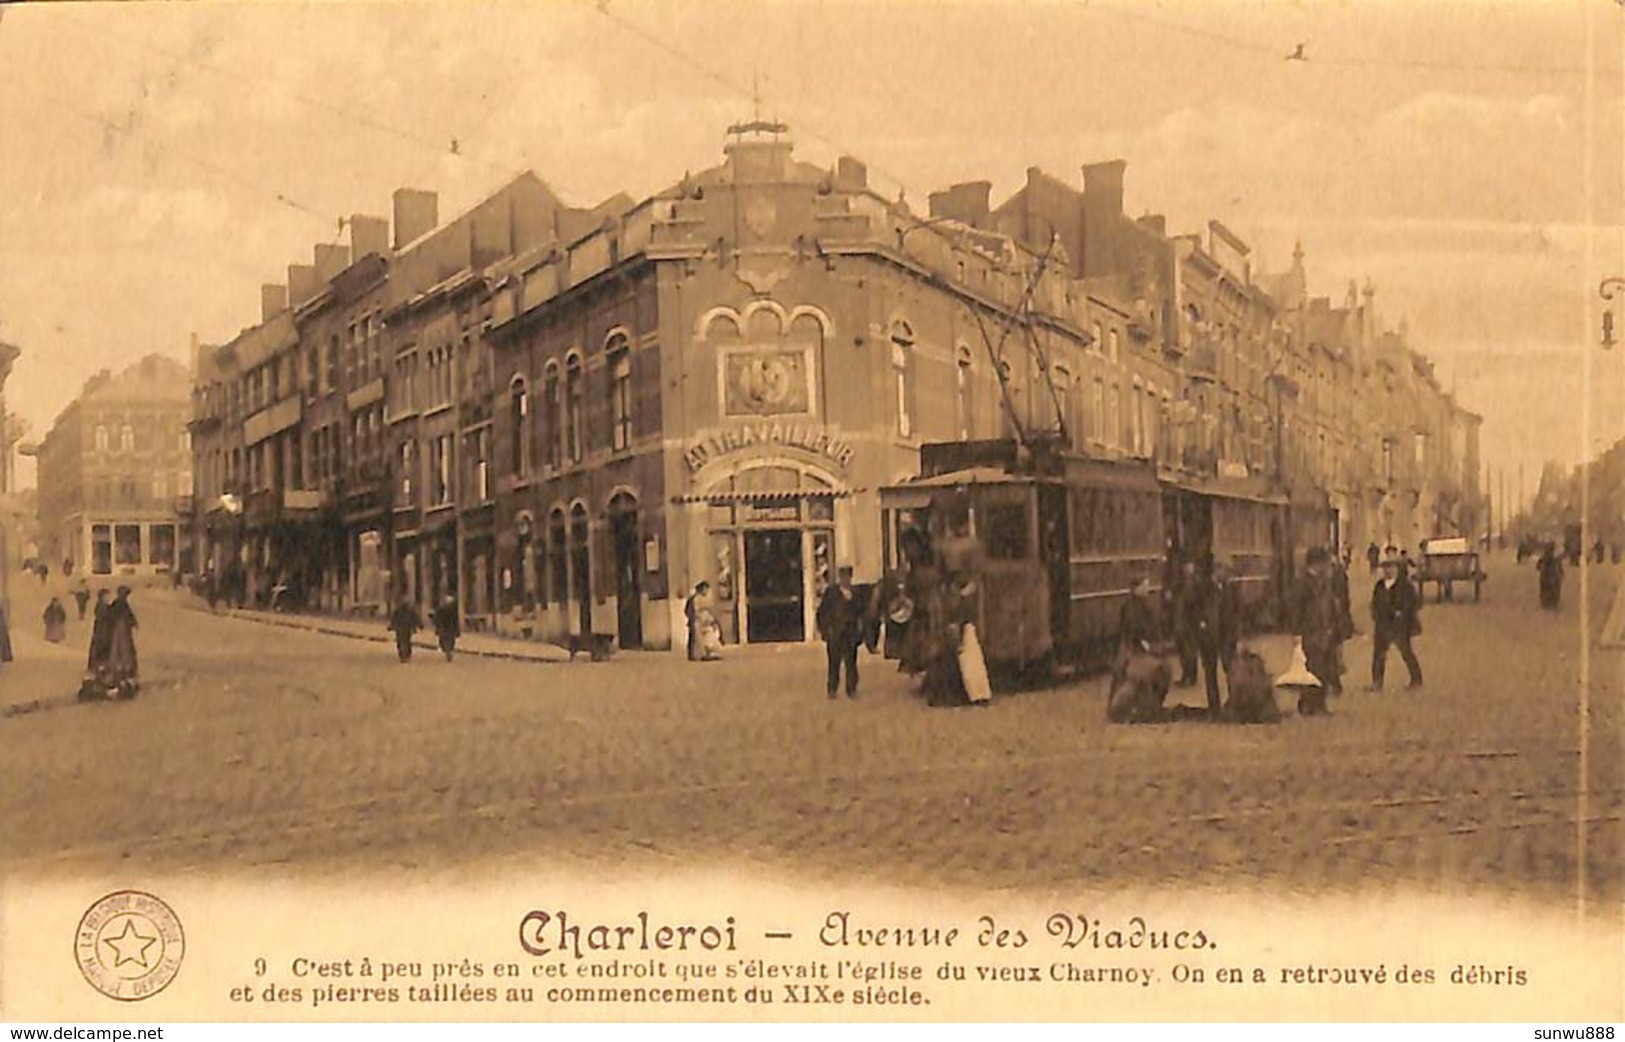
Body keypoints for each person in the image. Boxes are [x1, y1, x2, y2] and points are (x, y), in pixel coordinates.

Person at [1294, 547, 1343, 713]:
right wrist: (1298, 634)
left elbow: (1329, 607)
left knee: (1324, 669)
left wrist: (1333, 628)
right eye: (1325, 563)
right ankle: (1309, 704)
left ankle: (1317, 704)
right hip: (1311, 633)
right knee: (1314, 669)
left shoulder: (1324, 582)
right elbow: (1297, 611)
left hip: (1325, 632)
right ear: (1317, 564)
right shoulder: (1303, 584)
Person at [1370, 552, 1423, 691]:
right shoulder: (1379, 586)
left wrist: (1403, 612)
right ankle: (1377, 682)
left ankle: (1416, 679)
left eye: (1391, 567)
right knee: (1378, 654)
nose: (1388, 570)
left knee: (1406, 652)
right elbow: (1374, 603)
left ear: (1397, 569)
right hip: (1382, 624)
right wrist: (1375, 614)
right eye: (1385, 567)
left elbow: (1415, 603)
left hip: (1400, 625)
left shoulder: (1405, 586)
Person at [816, 566, 864, 700]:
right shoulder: (831, 594)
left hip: (850, 635)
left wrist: (859, 633)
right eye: (843, 577)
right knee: (833, 664)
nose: (845, 580)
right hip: (835, 634)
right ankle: (832, 689)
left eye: (847, 577)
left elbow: (860, 614)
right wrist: (825, 630)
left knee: (851, 664)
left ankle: (851, 689)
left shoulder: (856, 594)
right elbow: (822, 613)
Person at [104, 587, 139, 695]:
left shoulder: (118, 603)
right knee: (123, 650)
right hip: (121, 631)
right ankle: (122, 671)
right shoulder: (120, 604)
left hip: (121, 631)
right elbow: (126, 615)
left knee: (121, 650)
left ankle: (121, 670)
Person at [388, 599, 423, 663]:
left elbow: (415, 618)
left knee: (405, 641)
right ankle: (404, 655)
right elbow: (393, 619)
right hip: (403, 628)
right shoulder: (400, 611)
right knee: (404, 642)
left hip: (405, 628)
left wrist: (391, 626)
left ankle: (405, 655)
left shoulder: (404, 611)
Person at [86, 589, 113, 672]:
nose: (108, 598)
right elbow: (104, 618)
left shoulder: (106, 607)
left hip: (104, 631)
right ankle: (98, 666)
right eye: (106, 597)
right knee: (100, 648)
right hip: (101, 631)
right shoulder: (101, 607)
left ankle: (100, 666)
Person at [684, 581, 710, 662]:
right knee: (695, 638)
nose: (706, 592)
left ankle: (697, 654)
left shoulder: (700, 598)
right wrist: (694, 617)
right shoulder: (695, 599)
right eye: (705, 589)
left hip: (699, 620)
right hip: (695, 620)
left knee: (696, 637)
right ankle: (694, 654)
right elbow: (693, 610)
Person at [431, 595, 460, 661]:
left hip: (444, 628)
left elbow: (436, 619)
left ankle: (448, 652)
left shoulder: (441, 609)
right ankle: (449, 651)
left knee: (445, 641)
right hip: (450, 628)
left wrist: (437, 626)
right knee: (449, 641)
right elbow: (456, 620)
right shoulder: (453, 610)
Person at [1537, 543, 1564, 611]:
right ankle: (1551, 603)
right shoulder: (1555, 558)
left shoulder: (1545, 557)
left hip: (1548, 576)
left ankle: (1547, 603)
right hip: (1551, 576)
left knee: (1547, 590)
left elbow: (1538, 566)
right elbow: (1559, 567)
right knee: (1553, 590)